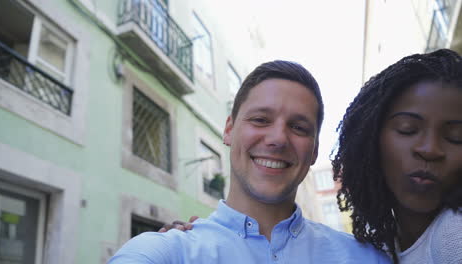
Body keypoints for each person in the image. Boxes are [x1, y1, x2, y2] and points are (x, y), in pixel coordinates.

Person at [108, 60, 390, 263]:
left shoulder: (365, 258)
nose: (278, 138)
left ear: (315, 150)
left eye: (299, 127)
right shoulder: (169, 253)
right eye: (260, 120)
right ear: (229, 129)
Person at [332, 49, 462, 263]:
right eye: (407, 129)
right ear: (371, 140)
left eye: (456, 137)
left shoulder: (454, 235)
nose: (430, 149)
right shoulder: (385, 247)